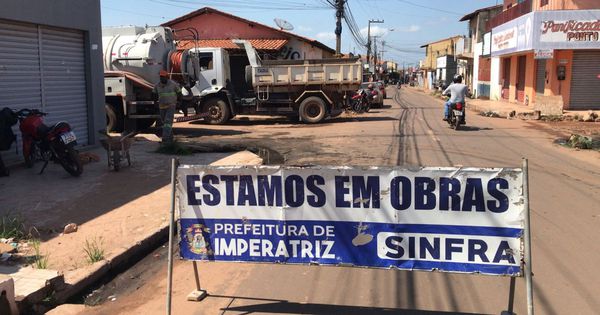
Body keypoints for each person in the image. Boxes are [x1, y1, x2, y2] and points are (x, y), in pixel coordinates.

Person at [153, 70, 181, 143]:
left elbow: (179, 93)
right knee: (165, 123)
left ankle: (165, 139)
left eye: (163, 77)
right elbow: (153, 94)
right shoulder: (157, 85)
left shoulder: (173, 84)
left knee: (167, 122)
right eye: (160, 77)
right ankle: (170, 138)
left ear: (167, 77)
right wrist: (155, 102)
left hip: (171, 105)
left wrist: (179, 102)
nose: (161, 78)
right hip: (162, 106)